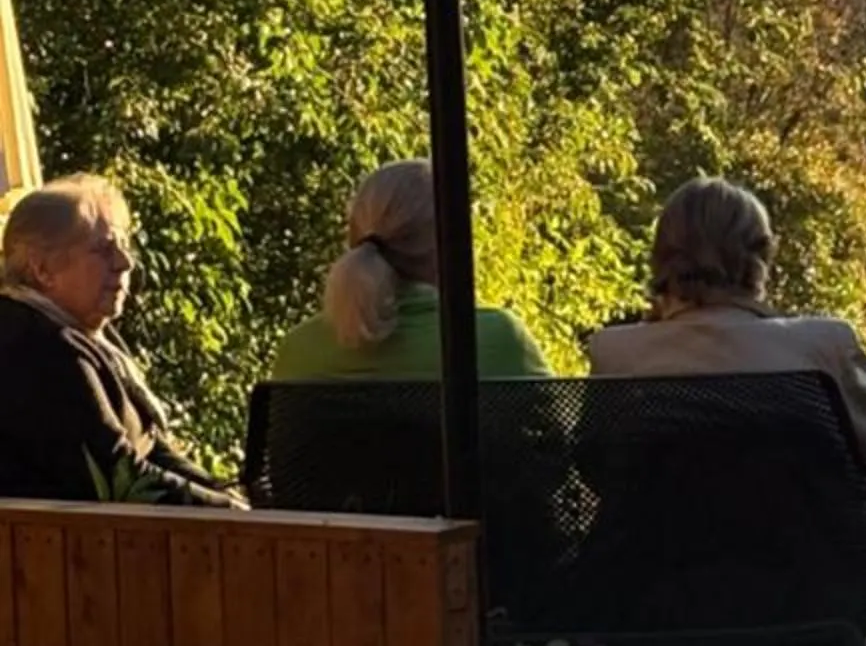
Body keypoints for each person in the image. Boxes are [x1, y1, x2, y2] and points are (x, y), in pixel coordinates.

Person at [586, 176, 866, 646]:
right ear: (760, 258)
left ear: (662, 259)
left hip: (647, 593)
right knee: (765, 551)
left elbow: (596, 468)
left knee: (735, 554)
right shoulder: (816, 347)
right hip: (800, 597)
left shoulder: (616, 357)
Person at [0, 174, 238, 505]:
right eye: (104, 250)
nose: (125, 263)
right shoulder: (40, 349)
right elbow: (120, 478)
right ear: (42, 270)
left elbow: (153, 447)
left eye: (124, 246)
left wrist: (228, 496)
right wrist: (235, 516)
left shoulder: (88, 334)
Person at [266, 160, 551, 383]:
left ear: (354, 235)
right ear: (449, 242)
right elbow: (559, 438)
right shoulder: (496, 339)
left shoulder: (300, 352)